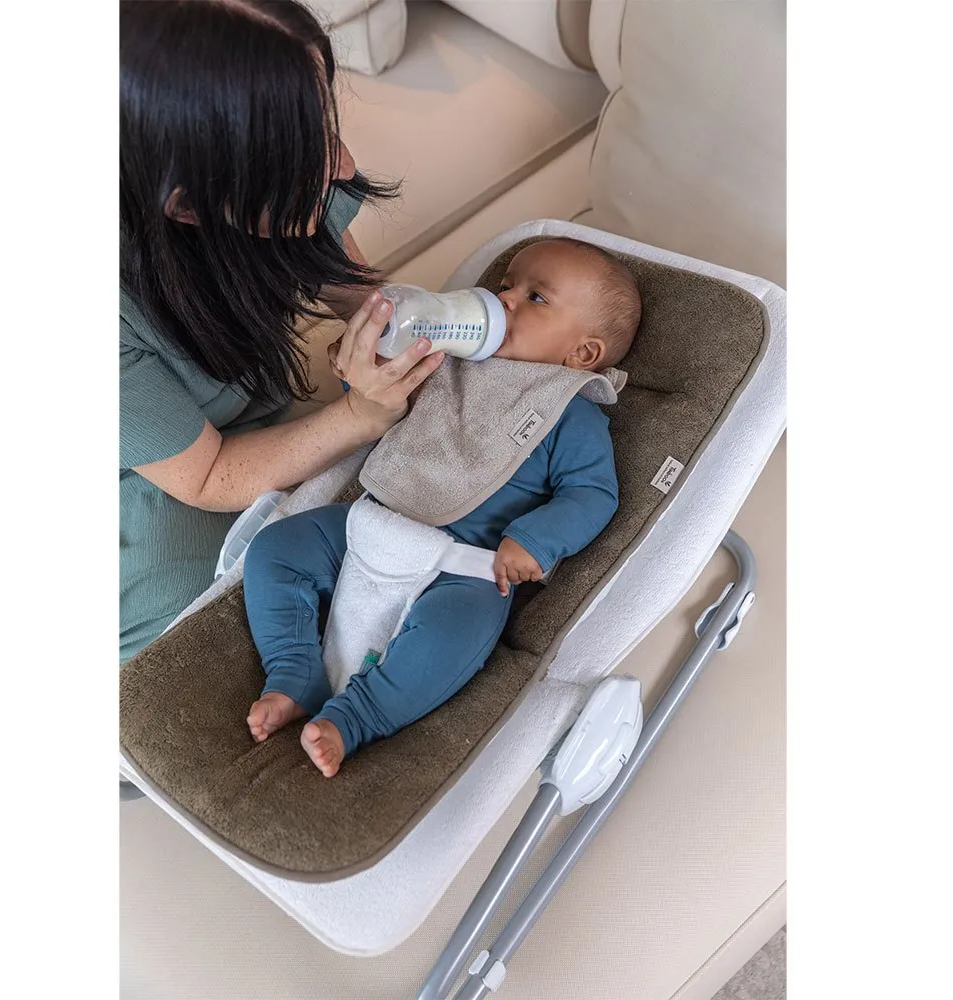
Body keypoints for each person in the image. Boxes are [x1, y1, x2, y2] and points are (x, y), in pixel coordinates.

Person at [241, 238, 643, 777]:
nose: (504, 299)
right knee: (277, 548)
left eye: (535, 298)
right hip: (374, 520)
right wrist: (365, 369)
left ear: (583, 354)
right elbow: (389, 393)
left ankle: (356, 717)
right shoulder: (449, 360)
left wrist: (535, 539)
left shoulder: (571, 415)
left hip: (465, 565)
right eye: (505, 285)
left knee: (457, 635)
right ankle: (293, 671)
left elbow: (592, 494)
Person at [119, 0, 444, 662]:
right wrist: (357, 417)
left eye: (326, 123)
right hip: (160, 477)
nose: (344, 164)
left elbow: (359, 294)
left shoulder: (286, 190)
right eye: (301, 153)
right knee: (195, 631)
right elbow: (207, 477)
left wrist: (408, 334)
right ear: (186, 205)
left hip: (246, 425)